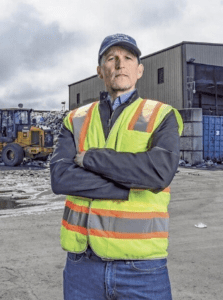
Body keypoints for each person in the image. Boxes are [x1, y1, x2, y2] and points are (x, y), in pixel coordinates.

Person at [50, 33, 183, 300]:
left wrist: (89, 159)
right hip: (82, 265)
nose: (120, 64)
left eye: (128, 58)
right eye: (111, 58)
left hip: (143, 267)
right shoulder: (75, 119)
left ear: (139, 70)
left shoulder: (160, 114)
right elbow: (61, 178)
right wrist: (128, 187)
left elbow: (158, 173)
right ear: (100, 71)